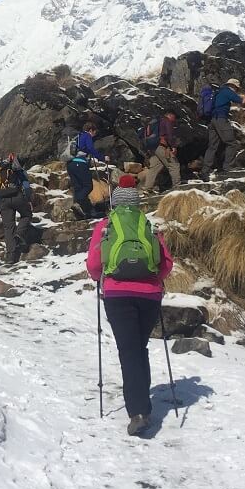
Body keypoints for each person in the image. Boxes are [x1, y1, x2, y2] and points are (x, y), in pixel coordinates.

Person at [86, 177, 174, 437]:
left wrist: (99, 279)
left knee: (129, 350)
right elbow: (166, 265)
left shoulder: (105, 227)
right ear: (137, 204)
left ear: (114, 204)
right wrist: (153, 280)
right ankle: (141, 404)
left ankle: (138, 412)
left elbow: (93, 264)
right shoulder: (148, 226)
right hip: (149, 295)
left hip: (117, 293)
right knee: (138, 347)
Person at [200, 79, 245, 179]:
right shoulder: (228, 91)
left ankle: (205, 170)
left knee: (212, 146)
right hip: (221, 119)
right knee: (232, 143)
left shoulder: (219, 92)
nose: (236, 91)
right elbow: (242, 101)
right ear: (233, 86)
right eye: (237, 89)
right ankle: (227, 167)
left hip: (212, 121)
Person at [0, 156, 33, 264]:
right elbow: (26, 186)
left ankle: (11, 256)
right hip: (17, 196)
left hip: (3, 200)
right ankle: (19, 234)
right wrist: (28, 199)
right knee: (27, 215)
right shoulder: (18, 170)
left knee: (8, 227)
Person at [67, 121, 103, 219]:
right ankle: (78, 203)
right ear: (91, 130)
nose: (94, 135)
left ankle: (83, 211)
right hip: (80, 163)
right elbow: (90, 148)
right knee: (88, 186)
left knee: (78, 187)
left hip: (70, 164)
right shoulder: (87, 136)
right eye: (94, 133)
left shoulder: (77, 137)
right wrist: (102, 157)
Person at [140, 110, 183, 192]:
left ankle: (147, 188)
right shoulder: (167, 121)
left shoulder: (157, 122)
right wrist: (173, 146)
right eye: (174, 117)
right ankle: (177, 187)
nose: (174, 120)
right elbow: (169, 135)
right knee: (174, 165)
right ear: (170, 115)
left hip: (154, 148)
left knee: (155, 167)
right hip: (162, 146)